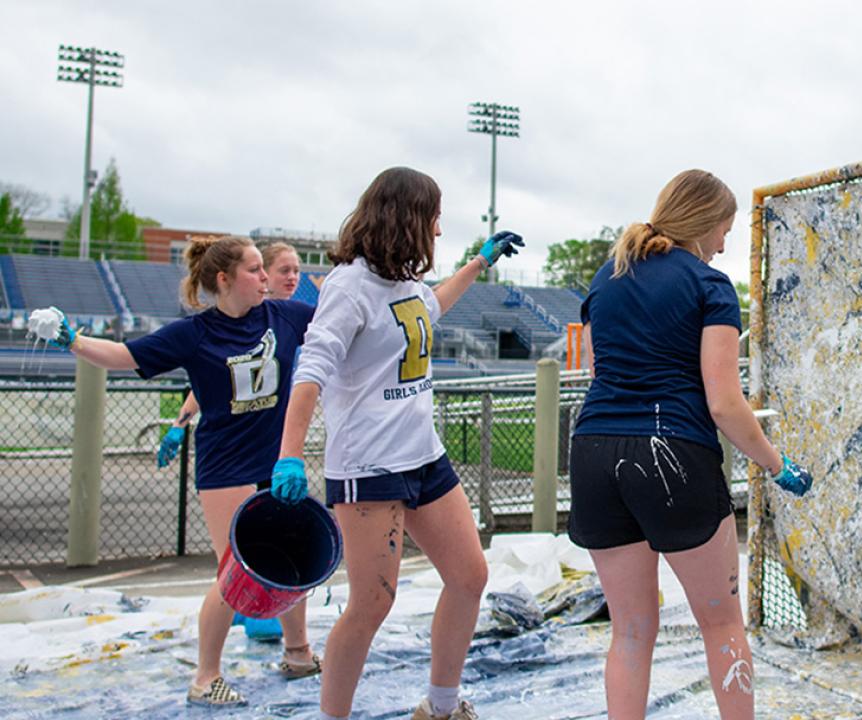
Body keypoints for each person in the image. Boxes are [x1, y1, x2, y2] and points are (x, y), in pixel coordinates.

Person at [272, 166, 524, 720]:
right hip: (369, 466)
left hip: (423, 456)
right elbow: (311, 368)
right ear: (407, 218)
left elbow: (429, 307)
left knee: (469, 576)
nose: (438, 230)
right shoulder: (348, 285)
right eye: (433, 217)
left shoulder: (403, 283)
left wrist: (480, 262)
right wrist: (290, 452)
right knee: (371, 603)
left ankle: (440, 705)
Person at [568, 169, 812, 720]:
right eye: (724, 230)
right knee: (722, 623)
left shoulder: (608, 276)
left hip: (594, 452)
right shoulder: (708, 285)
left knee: (630, 630)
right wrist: (777, 465)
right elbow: (725, 403)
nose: (724, 245)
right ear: (704, 224)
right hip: (670, 454)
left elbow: (602, 373)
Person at [40, 235, 322, 707]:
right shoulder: (195, 333)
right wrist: (73, 340)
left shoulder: (287, 316)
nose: (266, 279)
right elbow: (126, 357)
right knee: (237, 574)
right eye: (255, 271)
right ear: (223, 280)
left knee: (289, 564)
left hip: (277, 462)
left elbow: (342, 327)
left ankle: (299, 653)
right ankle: (205, 677)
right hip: (225, 467)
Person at [154, 241, 304, 643]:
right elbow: (217, 382)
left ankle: (293, 642)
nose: (293, 277)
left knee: (284, 546)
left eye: (298, 270)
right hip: (237, 455)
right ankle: (241, 619)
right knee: (240, 555)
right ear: (262, 276)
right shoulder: (242, 320)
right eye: (283, 270)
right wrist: (179, 423)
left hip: (276, 451)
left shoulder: (291, 317)